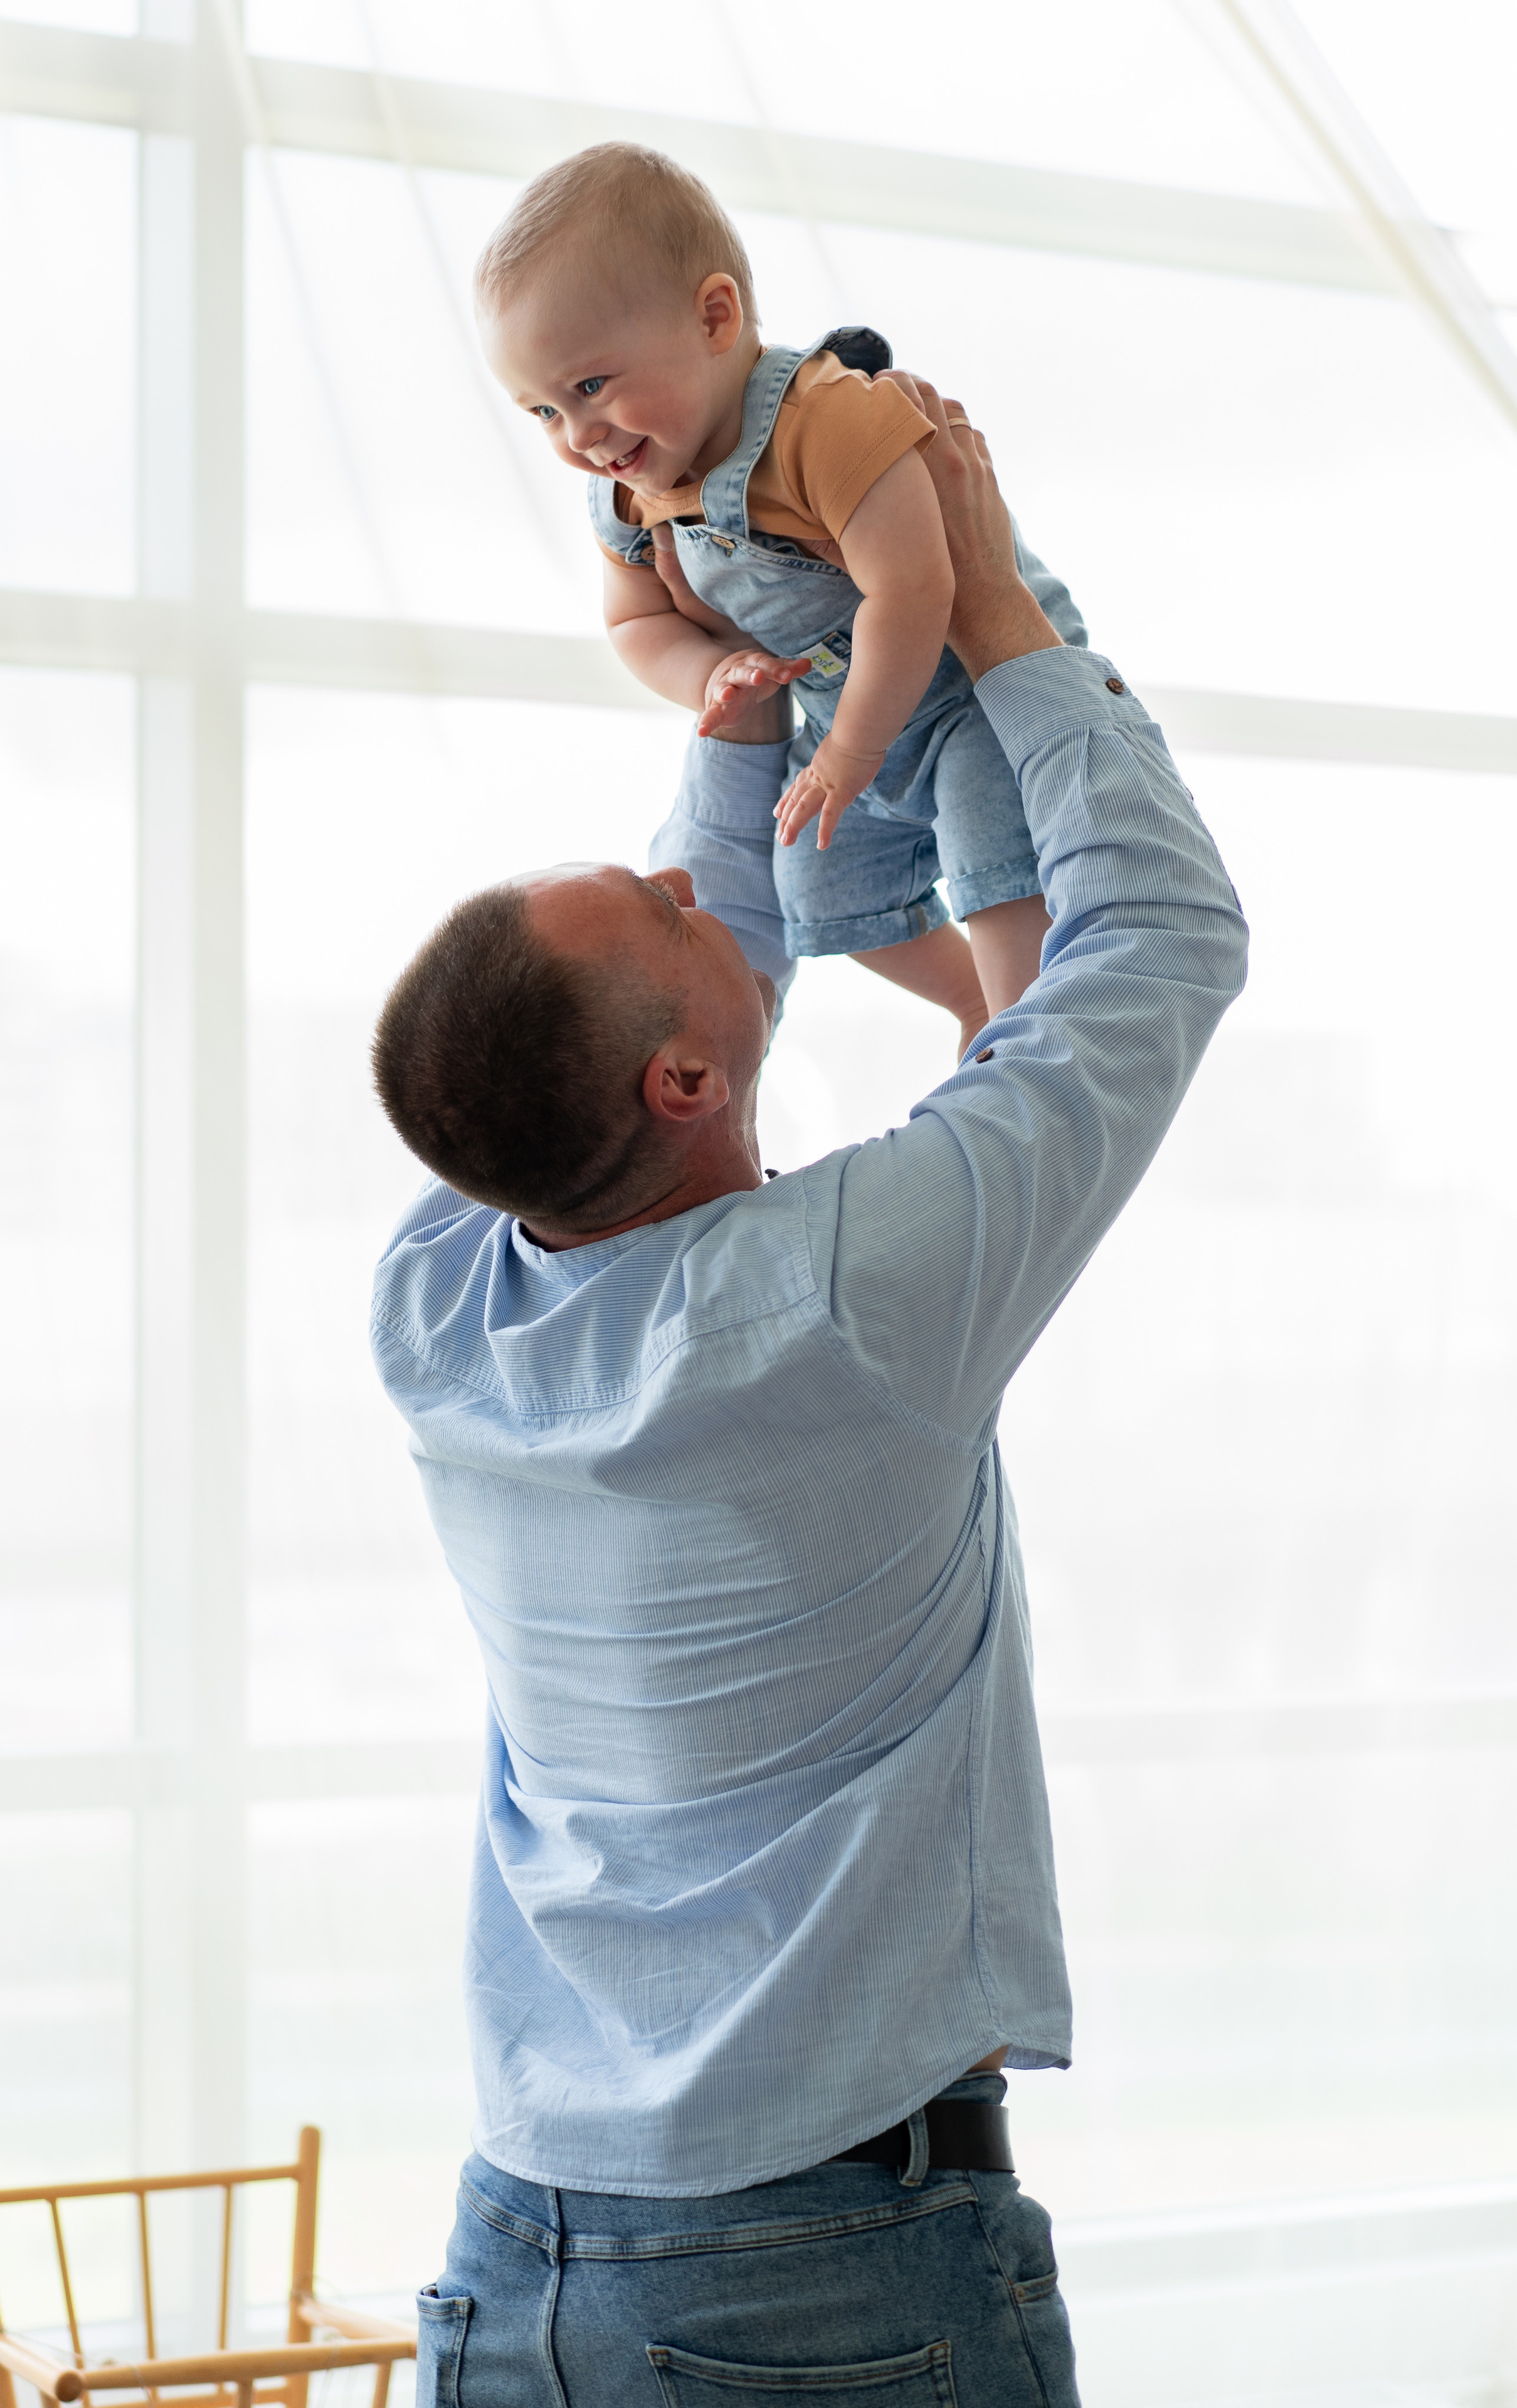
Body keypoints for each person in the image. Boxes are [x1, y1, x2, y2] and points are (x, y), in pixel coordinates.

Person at [369, 387, 1248, 2406]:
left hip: (523, 2257)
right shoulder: (847, 1302)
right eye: (667, 898)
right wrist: (999, 604)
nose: (694, 882)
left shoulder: (440, 1304)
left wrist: (746, 727)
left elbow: (660, 1027)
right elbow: (1165, 945)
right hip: (821, 2286)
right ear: (681, 1090)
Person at [475, 140, 1087, 1054]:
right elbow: (634, 619)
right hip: (849, 711)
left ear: (716, 317)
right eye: (544, 412)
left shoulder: (826, 422)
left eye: (592, 387)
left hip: (972, 685)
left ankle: (1021, 1037)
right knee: (816, 876)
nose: (577, 437)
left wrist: (849, 752)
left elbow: (915, 590)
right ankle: (968, 1001)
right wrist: (710, 670)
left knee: (994, 861)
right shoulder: (630, 492)